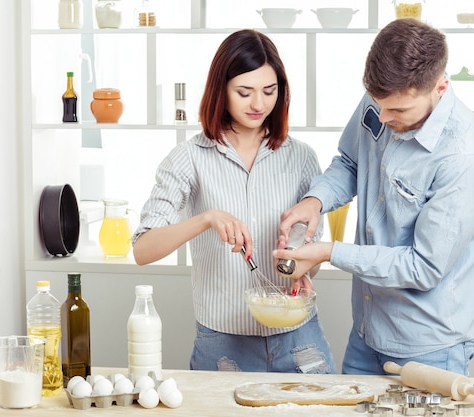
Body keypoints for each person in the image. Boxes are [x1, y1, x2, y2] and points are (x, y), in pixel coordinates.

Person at [274, 18, 474, 376]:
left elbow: (423, 267)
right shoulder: (387, 93)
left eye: (397, 111)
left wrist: (329, 252)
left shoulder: (466, 159)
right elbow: (351, 161)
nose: (382, 116)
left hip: (428, 348)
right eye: (377, 104)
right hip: (366, 333)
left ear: (439, 87)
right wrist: (314, 201)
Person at [132, 29, 336, 374]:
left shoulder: (301, 157)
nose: (258, 104)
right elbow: (143, 250)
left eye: (269, 91)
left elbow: (311, 256)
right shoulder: (189, 158)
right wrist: (206, 219)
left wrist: (302, 266)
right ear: (220, 90)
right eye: (244, 92)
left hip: (298, 338)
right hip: (223, 346)